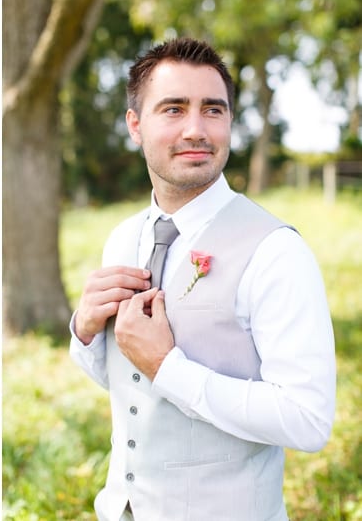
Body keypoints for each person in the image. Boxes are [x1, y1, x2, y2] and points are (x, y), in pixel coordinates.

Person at [69, 38, 335, 521]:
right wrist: (85, 332)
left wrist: (168, 367)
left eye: (213, 110)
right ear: (135, 125)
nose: (196, 129)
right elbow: (124, 382)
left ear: (230, 121)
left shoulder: (276, 251)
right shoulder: (121, 239)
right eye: (173, 109)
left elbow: (308, 420)